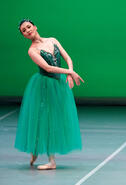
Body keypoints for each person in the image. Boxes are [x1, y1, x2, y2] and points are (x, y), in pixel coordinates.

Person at [15, 19, 84, 170]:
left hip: (58, 85)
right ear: (24, 35)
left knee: (54, 118)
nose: (27, 30)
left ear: (34, 26)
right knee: (44, 119)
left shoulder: (52, 40)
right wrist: (69, 72)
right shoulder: (32, 51)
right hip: (43, 86)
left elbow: (67, 57)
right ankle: (49, 160)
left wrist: (70, 72)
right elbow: (48, 68)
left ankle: (35, 150)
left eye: (28, 27)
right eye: (24, 31)